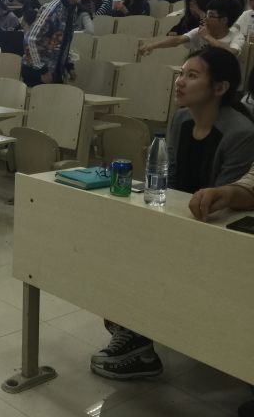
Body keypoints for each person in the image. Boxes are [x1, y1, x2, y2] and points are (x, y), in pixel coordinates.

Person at [92, 47, 254, 380]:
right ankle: (134, 333)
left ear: (220, 87)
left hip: (214, 232)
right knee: (119, 239)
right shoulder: (181, 119)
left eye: (192, 76)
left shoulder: (240, 132)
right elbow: (170, 180)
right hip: (181, 219)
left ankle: (139, 341)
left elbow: (227, 202)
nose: (180, 82)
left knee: (147, 258)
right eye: (181, 74)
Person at [22, 0, 92, 86]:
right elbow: (30, 40)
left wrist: (68, 65)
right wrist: (42, 70)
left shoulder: (72, 7)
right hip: (37, 73)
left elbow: (62, 42)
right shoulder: (52, 9)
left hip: (54, 70)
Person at [141, 0, 245, 56]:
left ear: (224, 20)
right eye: (206, 14)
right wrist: (152, 45)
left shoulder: (236, 36)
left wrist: (208, 37)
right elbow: (177, 40)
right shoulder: (200, 31)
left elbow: (232, 52)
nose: (206, 18)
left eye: (211, 15)